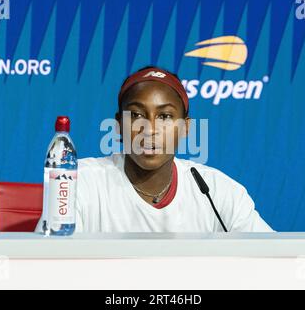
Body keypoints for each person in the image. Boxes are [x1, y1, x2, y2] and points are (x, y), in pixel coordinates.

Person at [37, 66, 273, 232]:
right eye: (137, 115)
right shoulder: (78, 182)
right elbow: (50, 266)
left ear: (185, 128)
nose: (149, 129)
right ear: (118, 126)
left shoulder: (217, 191)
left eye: (165, 116)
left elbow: (274, 262)